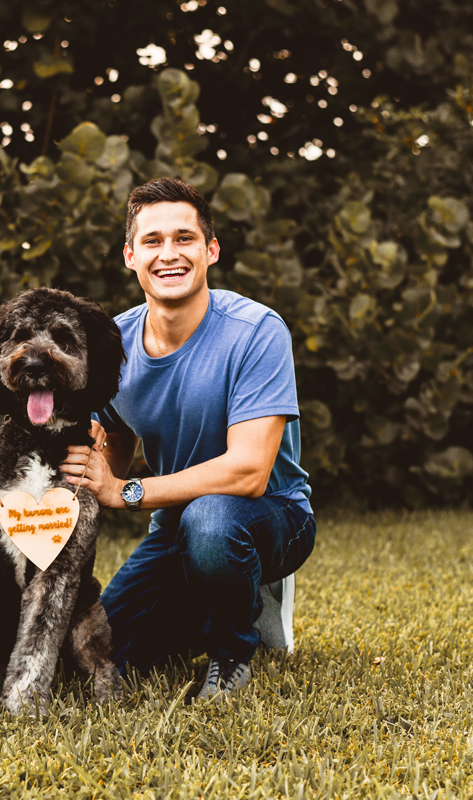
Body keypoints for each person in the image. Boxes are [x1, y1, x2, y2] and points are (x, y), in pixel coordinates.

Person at [61, 177, 316, 701]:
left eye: (185, 238)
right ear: (130, 256)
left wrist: (126, 491)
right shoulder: (114, 343)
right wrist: (81, 474)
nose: (169, 254)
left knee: (213, 522)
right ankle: (207, 603)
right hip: (174, 529)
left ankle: (232, 650)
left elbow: (248, 472)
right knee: (94, 660)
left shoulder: (256, 331)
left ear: (211, 250)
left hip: (272, 516)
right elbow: (112, 446)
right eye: (152, 241)